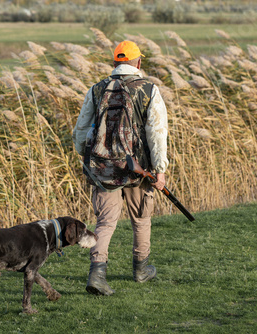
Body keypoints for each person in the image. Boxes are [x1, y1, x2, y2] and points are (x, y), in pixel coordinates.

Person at [72, 40, 168, 296]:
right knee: (141, 218)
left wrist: (88, 158)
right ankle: (141, 269)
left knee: (105, 221)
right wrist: (159, 170)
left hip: (104, 169)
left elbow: (81, 130)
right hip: (138, 170)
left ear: (115, 62)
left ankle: (97, 274)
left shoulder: (97, 89)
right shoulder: (148, 89)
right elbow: (157, 133)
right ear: (138, 62)